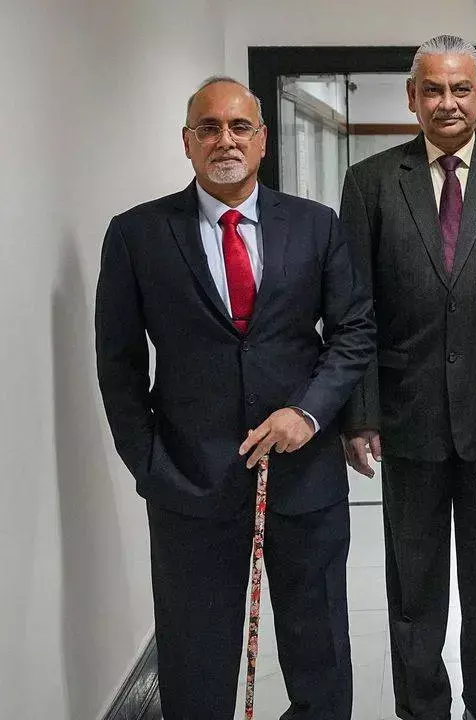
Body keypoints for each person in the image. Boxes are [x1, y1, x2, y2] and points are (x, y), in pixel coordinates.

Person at [95, 76, 375, 719]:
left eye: (240, 127)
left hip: (304, 477)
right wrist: (151, 467)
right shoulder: (137, 235)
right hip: (190, 483)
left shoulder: (315, 226)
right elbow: (119, 361)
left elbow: (354, 331)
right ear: (187, 143)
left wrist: (308, 413)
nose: (226, 140)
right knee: (195, 653)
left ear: (263, 139)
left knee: (320, 646)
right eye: (209, 128)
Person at [338, 35, 476, 720]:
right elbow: (355, 305)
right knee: (415, 588)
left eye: (461, 88)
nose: (448, 102)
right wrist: (360, 410)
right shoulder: (371, 181)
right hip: (408, 420)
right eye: (432, 89)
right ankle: (422, 708)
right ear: (411, 97)